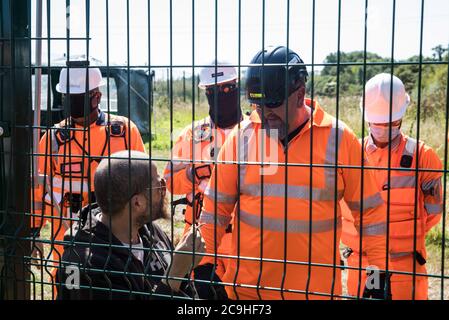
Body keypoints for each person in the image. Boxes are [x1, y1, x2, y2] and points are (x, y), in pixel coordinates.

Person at [197, 46, 390, 300]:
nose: (264, 113)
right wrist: (203, 267)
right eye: (257, 103)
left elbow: (371, 216)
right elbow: (214, 212)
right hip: (248, 296)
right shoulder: (242, 137)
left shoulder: (339, 139)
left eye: (273, 104)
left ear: (300, 94)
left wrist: (377, 278)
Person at [31, 61, 146, 279]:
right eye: (68, 97)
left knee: (118, 287)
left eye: (79, 97)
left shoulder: (124, 132)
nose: (72, 102)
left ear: (97, 96)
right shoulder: (53, 140)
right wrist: (34, 231)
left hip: (118, 238)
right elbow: (37, 191)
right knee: (71, 290)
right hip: (68, 239)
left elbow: (145, 184)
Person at [341, 73, 443, 300]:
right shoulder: (350, 154)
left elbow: (434, 213)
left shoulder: (423, 157)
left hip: (405, 266)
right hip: (363, 264)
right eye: (378, 123)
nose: (383, 127)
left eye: (390, 122)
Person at [56, 150, 205, 299]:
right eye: (159, 186)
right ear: (137, 202)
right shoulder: (86, 265)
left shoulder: (150, 231)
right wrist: (174, 275)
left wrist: (182, 270)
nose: (164, 191)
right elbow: (173, 282)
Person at [163, 62, 244, 288]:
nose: (221, 95)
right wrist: (193, 173)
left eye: (227, 89)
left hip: (246, 240)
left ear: (237, 87)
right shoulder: (192, 134)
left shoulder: (255, 131)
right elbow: (169, 182)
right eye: (213, 91)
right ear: (206, 93)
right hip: (201, 238)